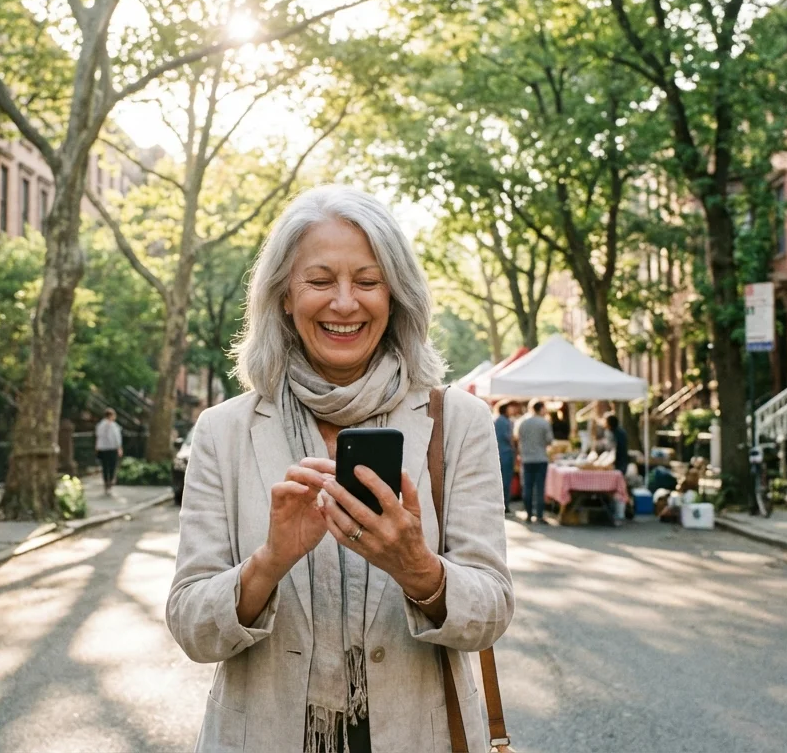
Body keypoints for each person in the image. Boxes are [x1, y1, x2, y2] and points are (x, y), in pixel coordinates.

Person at [167, 185, 513, 753]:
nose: (345, 303)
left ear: (396, 295)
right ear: (283, 294)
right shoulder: (224, 431)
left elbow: (493, 609)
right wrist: (269, 562)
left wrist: (418, 569)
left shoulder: (460, 422)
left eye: (368, 282)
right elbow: (192, 627)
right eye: (321, 281)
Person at [517, 399, 554, 523]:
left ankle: (528, 513)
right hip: (540, 458)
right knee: (539, 487)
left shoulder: (523, 423)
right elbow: (549, 440)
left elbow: (519, 438)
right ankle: (539, 515)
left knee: (527, 486)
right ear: (541, 408)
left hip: (526, 458)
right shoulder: (544, 423)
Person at [493, 400, 517, 514]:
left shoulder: (498, 420)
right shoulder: (503, 421)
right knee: (505, 480)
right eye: (510, 407)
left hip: (500, 453)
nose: (513, 410)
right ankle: (504, 505)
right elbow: (509, 438)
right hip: (505, 454)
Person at [95, 408, 124, 490]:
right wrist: (119, 447)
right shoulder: (114, 426)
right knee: (112, 465)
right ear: (111, 416)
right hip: (112, 448)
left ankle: (106, 481)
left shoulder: (100, 425)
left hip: (103, 448)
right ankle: (110, 480)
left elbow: (98, 437)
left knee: (104, 466)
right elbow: (117, 437)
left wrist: (97, 446)